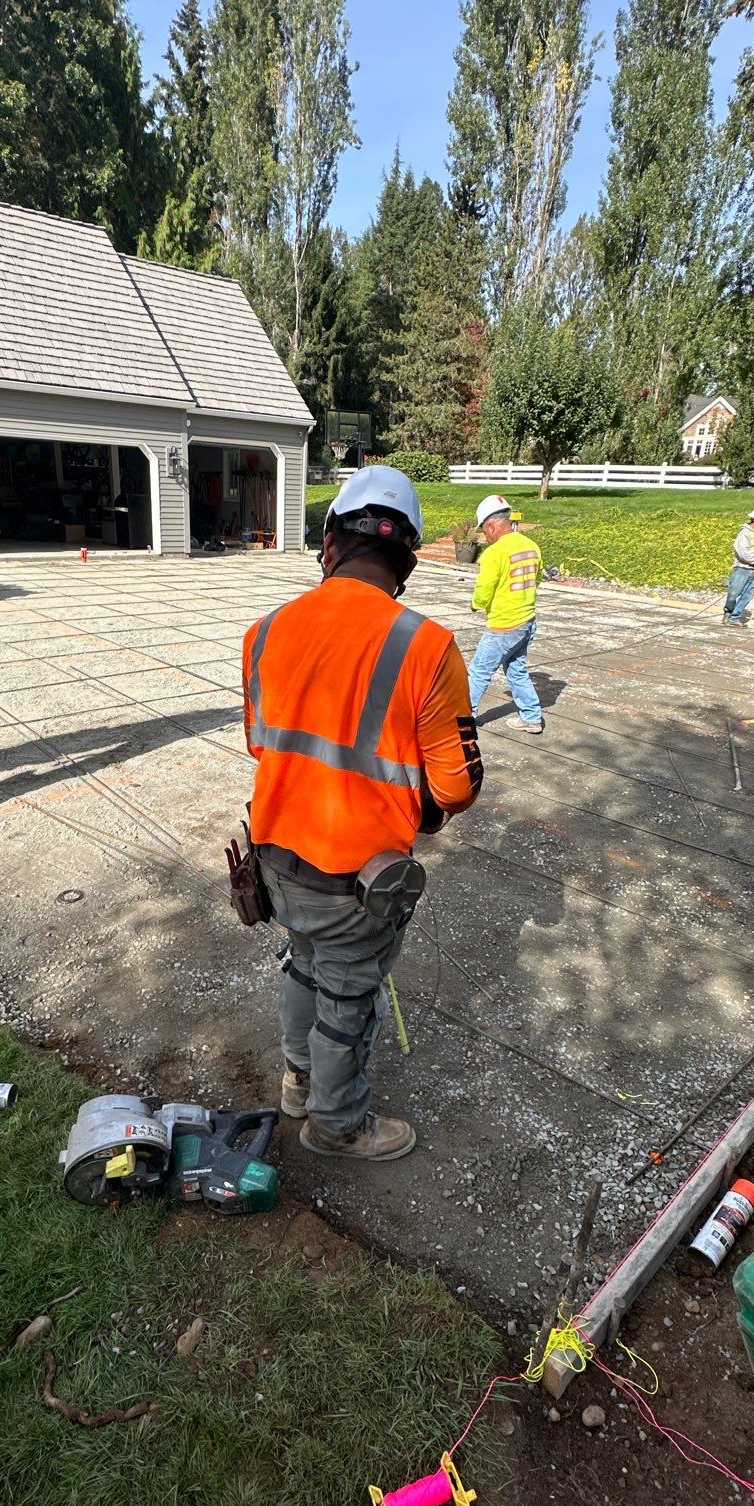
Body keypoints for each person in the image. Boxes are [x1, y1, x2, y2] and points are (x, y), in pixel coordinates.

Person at [242, 466, 484, 1163]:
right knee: (347, 1000)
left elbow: (262, 741)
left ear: (330, 544)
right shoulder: (426, 646)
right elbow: (457, 786)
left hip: (276, 856)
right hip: (357, 878)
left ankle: (297, 1080)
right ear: (406, 559)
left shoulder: (265, 631)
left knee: (302, 966)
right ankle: (337, 1124)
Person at [466, 493, 545, 733]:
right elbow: (537, 579)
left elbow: (484, 587)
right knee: (516, 669)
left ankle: (462, 720)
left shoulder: (494, 552)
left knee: (479, 671)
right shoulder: (531, 546)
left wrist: (476, 604)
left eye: (484, 530)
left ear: (491, 526)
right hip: (527, 621)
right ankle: (531, 717)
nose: (485, 536)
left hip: (503, 624)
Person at [723, 506, 754, 626]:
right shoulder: (744, 534)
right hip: (742, 569)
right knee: (733, 594)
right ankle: (728, 614)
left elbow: (752, 549)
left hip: (753, 570)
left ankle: (735, 617)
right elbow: (743, 553)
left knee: (747, 595)